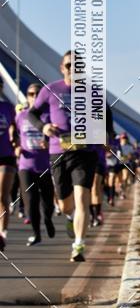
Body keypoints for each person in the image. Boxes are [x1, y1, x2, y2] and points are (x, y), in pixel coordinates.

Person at [28, 51, 98, 262]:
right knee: (66, 204)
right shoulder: (50, 90)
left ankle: (78, 245)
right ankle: (69, 216)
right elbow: (32, 113)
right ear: (62, 68)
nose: (72, 69)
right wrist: (44, 126)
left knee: (82, 199)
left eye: (77, 65)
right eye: (69, 65)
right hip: (58, 152)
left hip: (84, 152)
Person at [14, 82, 55, 246]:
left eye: (37, 93)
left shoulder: (48, 115)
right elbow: (17, 135)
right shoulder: (21, 116)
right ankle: (36, 234)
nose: (34, 96)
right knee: (30, 200)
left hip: (45, 164)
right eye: (30, 94)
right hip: (26, 165)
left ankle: (48, 219)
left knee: (48, 202)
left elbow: (59, 137)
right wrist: (16, 147)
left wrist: (50, 142)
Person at [0, 76, 17, 252]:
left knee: (2, 195)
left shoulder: (8, 108)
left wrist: (14, 137)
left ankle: (2, 233)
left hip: (6, 155)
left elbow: (15, 126)